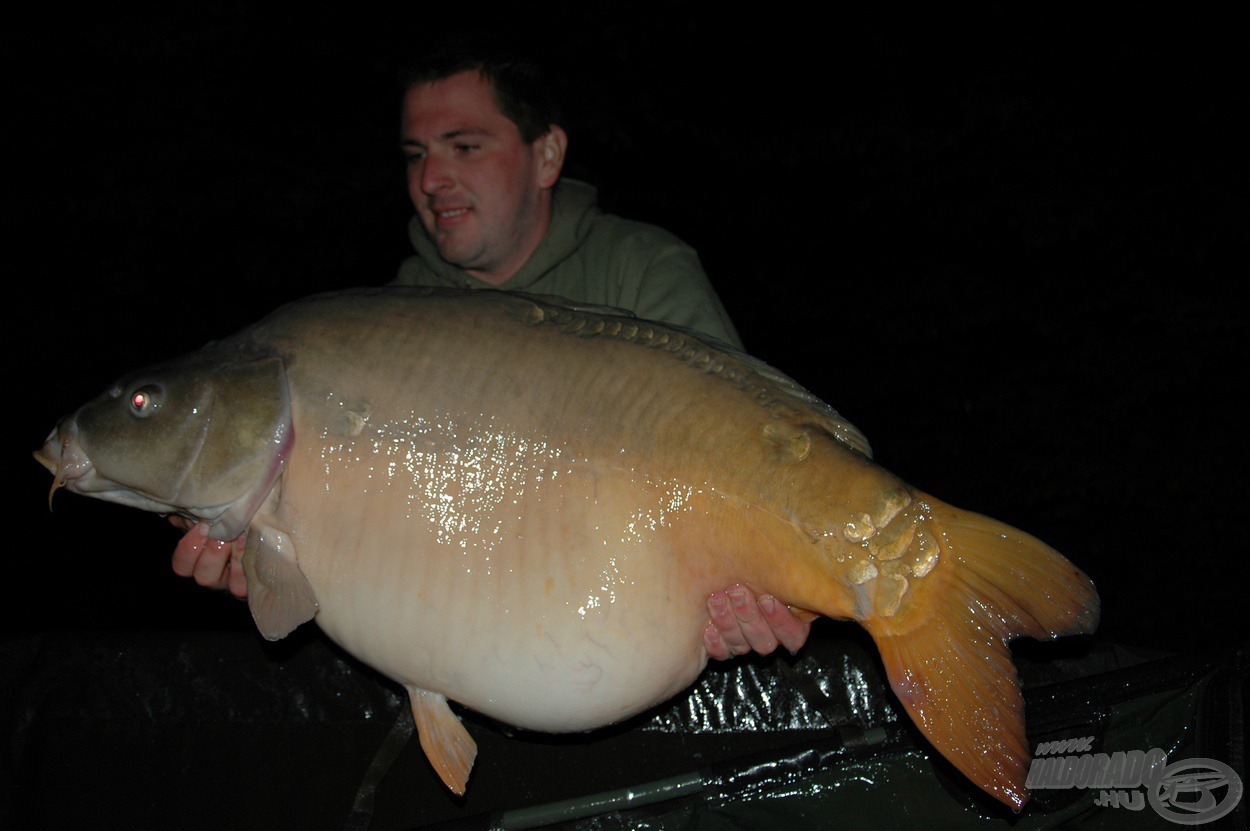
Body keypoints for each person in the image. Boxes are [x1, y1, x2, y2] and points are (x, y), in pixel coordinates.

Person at [172, 45, 811, 660]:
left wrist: (751, 604)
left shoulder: (642, 273)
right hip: (479, 659)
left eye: (465, 147)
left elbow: (756, 476)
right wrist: (266, 559)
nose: (430, 179)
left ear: (547, 155)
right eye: (416, 153)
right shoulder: (380, 327)